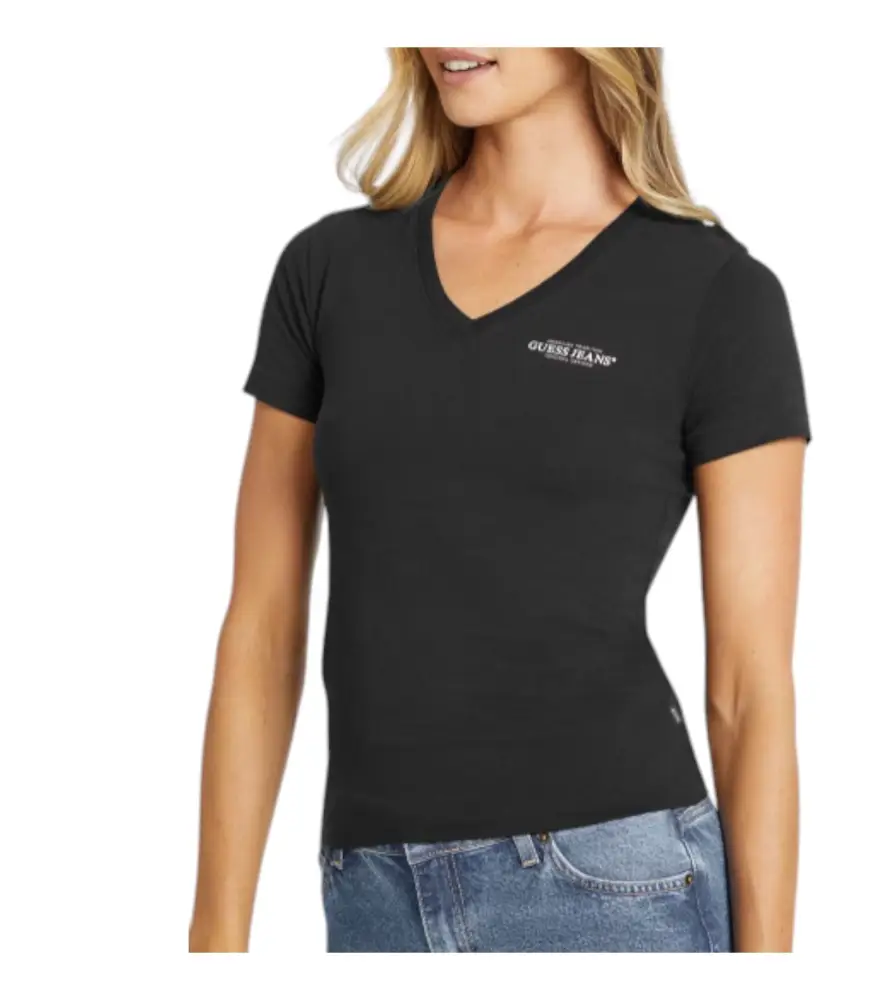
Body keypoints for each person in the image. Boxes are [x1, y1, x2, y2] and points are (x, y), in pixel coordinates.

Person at [189, 47, 810, 953]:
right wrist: (214, 937)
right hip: (371, 890)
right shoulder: (330, 267)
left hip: (612, 884)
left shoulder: (717, 293)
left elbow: (750, 688)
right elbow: (260, 626)